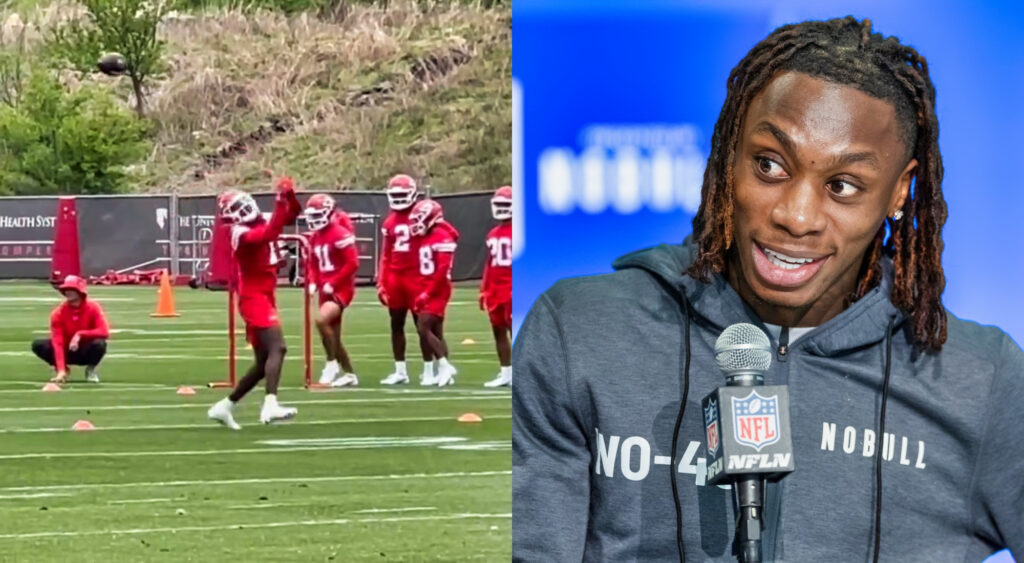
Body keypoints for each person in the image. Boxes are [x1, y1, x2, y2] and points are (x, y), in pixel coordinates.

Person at [513, 17, 1024, 562]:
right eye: (769, 165)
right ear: (729, 156)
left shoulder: (983, 382)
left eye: (843, 185)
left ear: (899, 191)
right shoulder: (580, 332)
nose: (796, 216)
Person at [207, 178, 302, 429]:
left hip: (264, 293)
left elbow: (293, 216)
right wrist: (280, 203)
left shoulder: (258, 220)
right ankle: (270, 402)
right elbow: (269, 233)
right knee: (278, 348)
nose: (244, 210)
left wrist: (288, 196)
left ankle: (225, 406)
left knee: (263, 363)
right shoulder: (239, 233)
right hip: (253, 296)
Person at [378, 174, 432, 385]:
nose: (398, 198)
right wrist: (381, 282)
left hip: (417, 277)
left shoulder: (421, 215)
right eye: (395, 194)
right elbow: (385, 254)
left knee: (423, 326)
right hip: (395, 278)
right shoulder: (390, 221)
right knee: (396, 325)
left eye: (402, 194)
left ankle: (429, 369)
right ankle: (400, 370)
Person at [304, 193, 360, 387]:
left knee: (320, 320)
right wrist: (312, 281)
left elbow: (352, 264)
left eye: (318, 215)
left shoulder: (340, 234)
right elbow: (312, 263)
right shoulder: (314, 237)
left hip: (340, 288)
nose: (314, 220)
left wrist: (334, 282)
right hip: (324, 289)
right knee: (333, 335)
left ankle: (331, 363)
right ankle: (350, 374)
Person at [409, 199, 459, 387]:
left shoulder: (442, 236)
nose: (416, 224)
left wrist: (427, 293)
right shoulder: (426, 236)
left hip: (437, 288)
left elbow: (441, 271)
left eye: (420, 219)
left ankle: (445, 365)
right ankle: (445, 371)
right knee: (436, 331)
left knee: (423, 327)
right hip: (425, 285)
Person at [32, 275, 109, 384]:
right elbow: (57, 342)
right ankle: (63, 370)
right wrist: (61, 369)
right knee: (39, 345)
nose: (68, 292)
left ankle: (91, 369)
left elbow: (104, 331)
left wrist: (80, 334)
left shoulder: (93, 308)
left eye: (71, 289)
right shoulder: (58, 313)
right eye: (66, 289)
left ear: (80, 291)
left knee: (100, 344)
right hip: (66, 350)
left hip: (85, 351)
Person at [481, 186, 513, 387]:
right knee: (498, 331)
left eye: (505, 204)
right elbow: (489, 262)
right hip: (495, 289)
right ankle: (506, 373)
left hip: (512, 287)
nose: (501, 209)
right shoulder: (493, 233)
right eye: (499, 204)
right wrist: (483, 289)